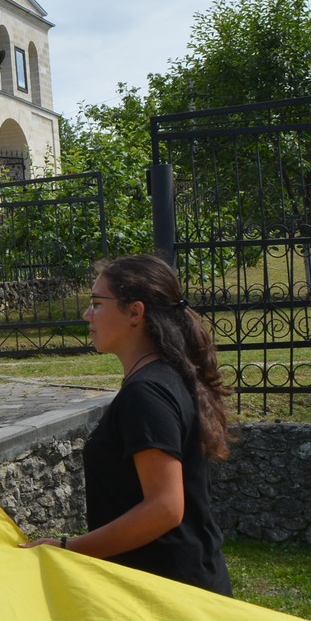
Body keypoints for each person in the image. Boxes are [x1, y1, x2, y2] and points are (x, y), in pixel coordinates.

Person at [29, 255, 231, 595]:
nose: (87, 315)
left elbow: (165, 508)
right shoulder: (162, 378)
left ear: (135, 312)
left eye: (97, 304)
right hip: (173, 587)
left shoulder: (146, 393)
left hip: (170, 594)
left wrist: (69, 548)